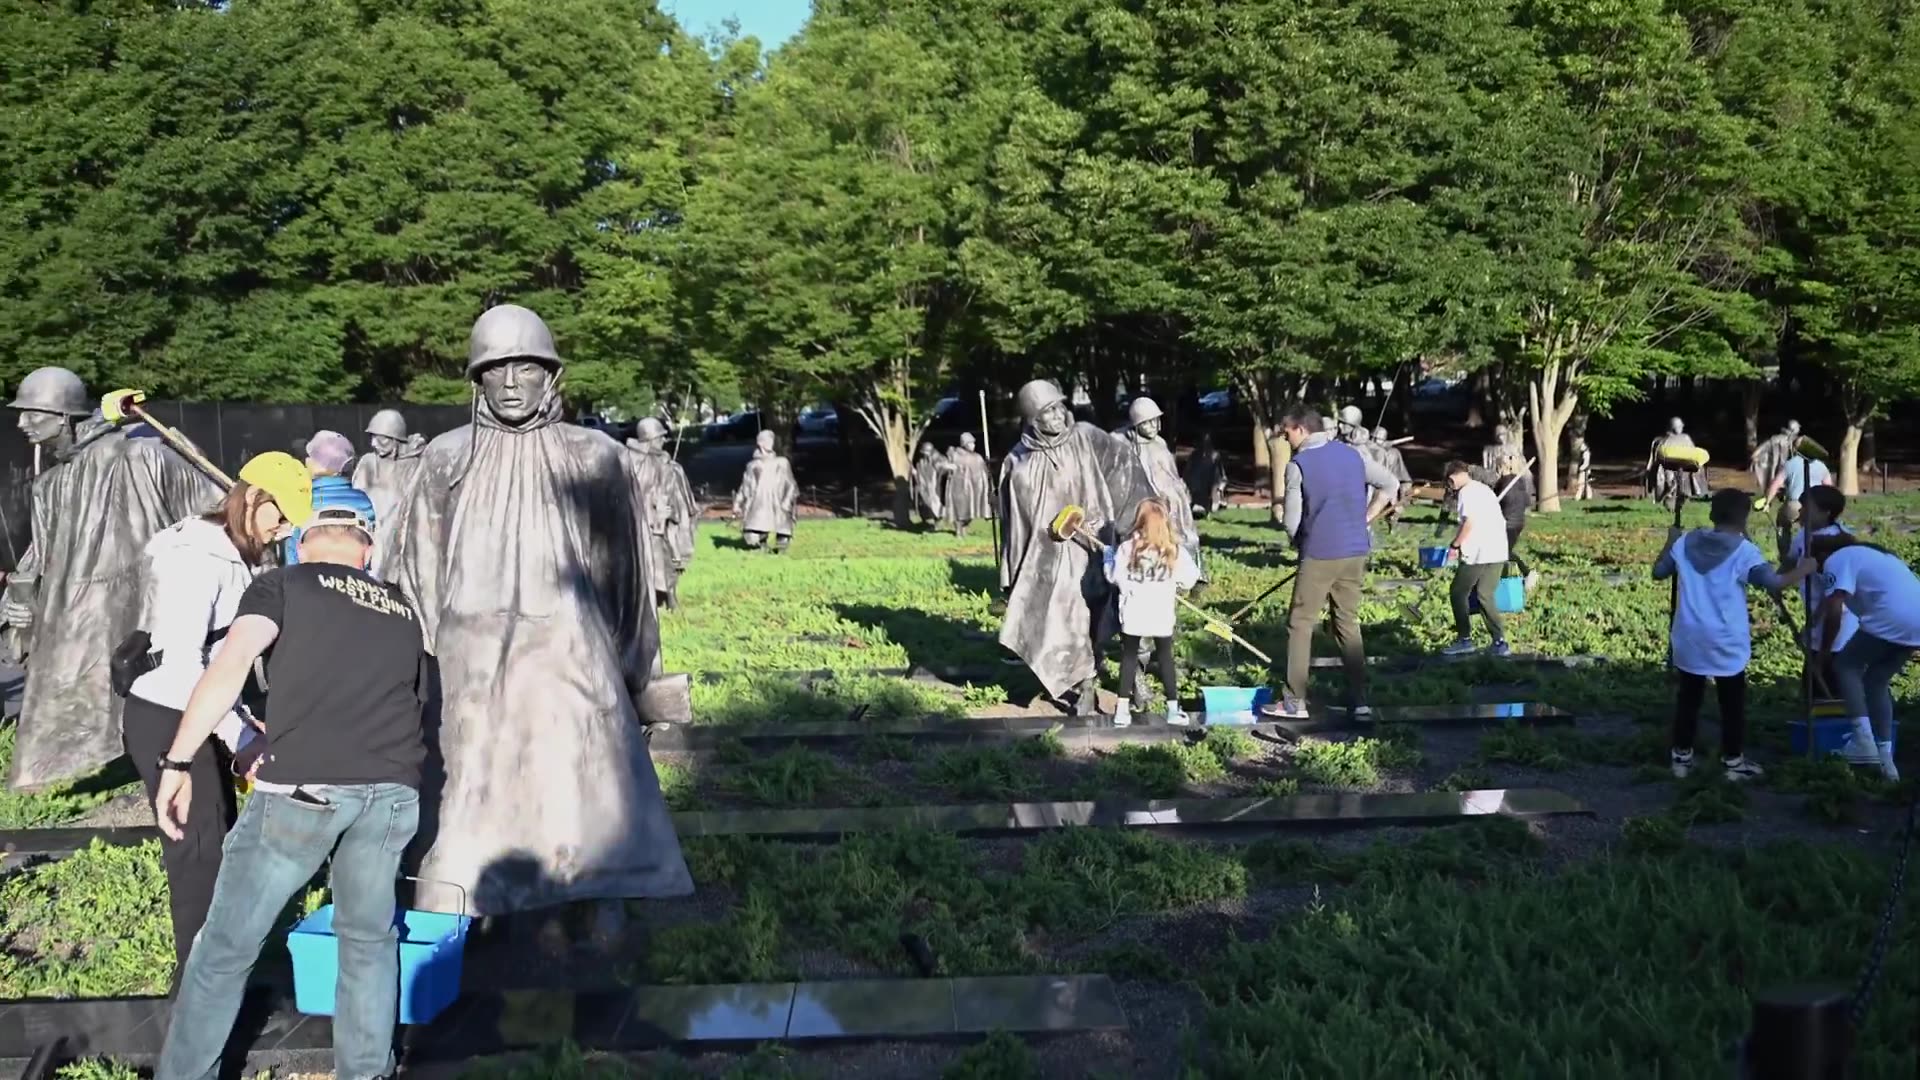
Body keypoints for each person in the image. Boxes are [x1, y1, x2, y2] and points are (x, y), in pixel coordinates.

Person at [386, 304, 692, 923]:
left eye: (524, 367)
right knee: (469, 777)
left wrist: (635, 668)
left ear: (551, 373)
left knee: (579, 774)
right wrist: (419, 665)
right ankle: (463, 891)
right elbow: (419, 564)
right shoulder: (446, 458)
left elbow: (624, 570)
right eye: (493, 370)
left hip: (569, 646)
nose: (509, 384)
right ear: (476, 380)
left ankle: (594, 885)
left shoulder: (595, 456)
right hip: (469, 651)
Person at [151, 506, 427, 1080]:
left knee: (225, 948)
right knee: (368, 941)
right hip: (394, 794)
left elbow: (229, 665)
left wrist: (178, 759)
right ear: (366, 552)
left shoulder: (283, 582)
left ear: (303, 547)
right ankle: (367, 1071)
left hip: (305, 791)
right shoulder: (401, 607)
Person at [121, 453, 311, 985]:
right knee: (198, 855)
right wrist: (239, 736)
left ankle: (219, 971)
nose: (285, 529)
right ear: (252, 497)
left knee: (216, 842)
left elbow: (219, 660)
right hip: (167, 713)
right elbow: (184, 664)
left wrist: (244, 720)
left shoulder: (235, 553)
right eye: (279, 514)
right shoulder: (195, 558)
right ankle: (198, 992)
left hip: (200, 710)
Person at [3, 370, 220, 789]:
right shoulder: (49, 485)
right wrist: (17, 606)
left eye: (32, 413)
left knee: (141, 703)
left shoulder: (139, 455)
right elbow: (39, 560)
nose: (21, 423)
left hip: (141, 609)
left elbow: (215, 505)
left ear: (64, 416)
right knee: (69, 716)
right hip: (71, 624)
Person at [998, 378, 1151, 716]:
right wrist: (1015, 573)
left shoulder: (1086, 436)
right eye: (1046, 412)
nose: (1056, 416)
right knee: (1073, 621)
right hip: (1055, 560)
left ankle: (1137, 676)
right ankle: (1085, 685)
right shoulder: (1019, 462)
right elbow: (1015, 525)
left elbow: (1124, 471)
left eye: (1058, 408)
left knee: (1123, 608)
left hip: (1101, 544)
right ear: (1032, 420)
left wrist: (1139, 527)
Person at [1258, 406, 1397, 719]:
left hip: (1320, 552)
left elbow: (1292, 521)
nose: (1284, 436)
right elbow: (1390, 485)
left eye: (1287, 430)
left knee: (1300, 623)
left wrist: (1298, 543)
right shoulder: (1352, 455)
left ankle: (1294, 702)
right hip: (1356, 551)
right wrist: (1367, 519)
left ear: (1302, 430)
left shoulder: (1298, 464)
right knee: (1346, 622)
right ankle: (1360, 700)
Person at [1652, 490, 1786, 781]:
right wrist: (1805, 568)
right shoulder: (1744, 551)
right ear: (1744, 517)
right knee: (1732, 701)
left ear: (1712, 514)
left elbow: (1659, 572)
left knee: (1689, 698)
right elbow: (1772, 581)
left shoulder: (1685, 542)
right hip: (1726, 639)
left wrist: (1670, 541)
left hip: (1689, 636)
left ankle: (1681, 760)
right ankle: (1733, 763)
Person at [1803, 533, 1919, 780]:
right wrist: (1816, 618)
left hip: (1891, 617)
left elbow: (1836, 606)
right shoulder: (1871, 555)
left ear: (1821, 556)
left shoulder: (1836, 559)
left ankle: (1862, 740)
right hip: (1916, 621)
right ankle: (1886, 759)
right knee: (1876, 681)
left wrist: (1824, 653)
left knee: (1846, 665)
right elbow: (1830, 599)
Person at [1104, 498, 1201, 728]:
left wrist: (1108, 555)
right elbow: (1190, 578)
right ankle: (1173, 710)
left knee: (1128, 658)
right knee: (1166, 659)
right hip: (1161, 615)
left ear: (1140, 521)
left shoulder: (1128, 548)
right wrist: (1175, 583)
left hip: (1133, 614)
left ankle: (1122, 711)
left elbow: (1113, 577)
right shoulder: (1173, 551)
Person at [1781, 485, 1854, 695]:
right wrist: (1777, 580)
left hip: (1837, 629)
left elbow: (1834, 602)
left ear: (1826, 512)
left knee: (1831, 687)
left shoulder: (1837, 541)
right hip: (1815, 623)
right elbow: (1791, 560)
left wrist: (1815, 622)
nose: (1801, 512)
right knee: (1812, 686)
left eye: (1807, 507)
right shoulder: (1803, 534)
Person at [1116, 397, 1200, 575]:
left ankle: (1189, 571)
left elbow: (1171, 474)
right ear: (1136, 425)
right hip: (1145, 503)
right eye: (1146, 423)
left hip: (1171, 501)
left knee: (1184, 535)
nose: (1152, 426)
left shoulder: (1160, 444)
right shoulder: (1127, 445)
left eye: (1155, 421)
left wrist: (1179, 492)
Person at [1440, 461, 1513, 657]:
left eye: (1449, 483)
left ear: (1452, 477)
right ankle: (1500, 642)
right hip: (1498, 550)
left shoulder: (1467, 492)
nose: (1450, 487)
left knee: (1458, 592)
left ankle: (1464, 640)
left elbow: (1469, 522)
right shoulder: (1484, 489)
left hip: (1479, 552)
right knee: (1484, 594)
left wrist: (1455, 545)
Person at [627, 417, 699, 610]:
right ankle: (646, 600)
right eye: (659, 437)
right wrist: (653, 512)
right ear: (649, 439)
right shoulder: (632, 462)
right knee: (646, 561)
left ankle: (670, 595)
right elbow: (632, 493)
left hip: (664, 521)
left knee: (668, 558)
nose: (663, 441)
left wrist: (669, 511)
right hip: (645, 522)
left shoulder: (665, 462)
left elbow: (673, 492)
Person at [286, 431, 376, 566]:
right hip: (356, 580)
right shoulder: (366, 500)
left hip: (307, 579)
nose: (306, 460)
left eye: (310, 456)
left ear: (318, 464)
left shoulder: (302, 500)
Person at [350, 409, 425, 531]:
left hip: (402, 529)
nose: (373, 443)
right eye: (372, 437)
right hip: (371, 527)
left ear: (396, 439)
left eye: (381, 438)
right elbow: (358, 499)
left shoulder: (414, 463)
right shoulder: (369, 462)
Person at [1764, 444, 1832, 565]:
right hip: (1814, 506)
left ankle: (1786, 558)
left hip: (1794, 504)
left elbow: (1776, 484)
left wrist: (1767, 502)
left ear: (1796, 450)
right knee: (1813, 532)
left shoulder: (1790, 464)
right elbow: (1829, 488)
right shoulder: (1821, 466)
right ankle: (1815, 559)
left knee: (1783, 526)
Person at [734, 429, 797, 551]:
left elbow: (791, 484)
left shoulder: (782, 463)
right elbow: (745, 486)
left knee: (782, 531)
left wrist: (787, 501)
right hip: (759, 503)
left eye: (772, 440)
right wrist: (737, 503)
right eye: (767, 440)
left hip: (778, 503)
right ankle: (760, 542)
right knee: (752, 537)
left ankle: (782, 542)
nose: (771, 442)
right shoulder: (753, 465)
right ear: (760, 443)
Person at [1495, 453, 1537, 590]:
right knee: (1502, 553)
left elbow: (1494, 504)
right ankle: (1500, 578)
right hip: (1518, 522)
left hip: (1507, 523)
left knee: (1502, 552)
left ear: (1500, 467)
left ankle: (1528, 573)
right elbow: (1526, 502)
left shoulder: (1502, 483)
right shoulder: (1520, 481)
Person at [1646, 417, 1708, 508]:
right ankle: (1670, 497)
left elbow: (1693, 453)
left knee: (1693, 470)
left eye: (1681, 426)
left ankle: (1680, 496)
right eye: (1679, 426)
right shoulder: (1660, 440)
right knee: (1667, 473)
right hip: (1667, 468)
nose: (1681, 427)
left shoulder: (1685, 438)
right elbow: (1653, 458)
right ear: (1673, 427)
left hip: (1684, 467)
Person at [943, 433, 994, 537]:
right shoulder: (955, 455)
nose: (973, 445)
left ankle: (965, 529)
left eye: (973, 443)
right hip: (958, 486)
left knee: (971, 509)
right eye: (970, 443)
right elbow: (943, 464)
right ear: (964, 444)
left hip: (973, 488)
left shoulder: (977, 457)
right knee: (959, 510)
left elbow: (984, 471)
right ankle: (958, 530)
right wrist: (948, 466)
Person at [1371, 426, 1413, 531]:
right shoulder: (1364, 451)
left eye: (1379, 439)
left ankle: (1392, 523)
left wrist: (1402, 499)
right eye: (1373, 438)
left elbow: (1405, 480)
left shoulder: (1393, 454)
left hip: (1386, 491)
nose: (1375, 441)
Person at [1184, 432, 1226, 517]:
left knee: (1209, 485)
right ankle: (1193, 508)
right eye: (1203, 442)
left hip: (1210, 481)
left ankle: (1208, 510)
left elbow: (1219, 472)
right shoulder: (1195, 455)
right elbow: (1188, 468)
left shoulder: (1215, 455)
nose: (1204, 445)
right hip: (1197, 481)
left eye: (1207, 442)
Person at [1750, 420, 1800, 490]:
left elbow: (1765, 445)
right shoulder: (1778, 438)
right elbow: (1766, 445)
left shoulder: (1795, 440)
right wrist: (1756, 453)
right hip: (1780, 465)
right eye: (1798, 427)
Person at [912, 441, 946, 526]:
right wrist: (916, 473)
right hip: (925, 485)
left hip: (935, 485)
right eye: (923, 453)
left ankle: (938, 520)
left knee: (935, 503)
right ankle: (927, 519)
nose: (925, 455)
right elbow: (921, 469)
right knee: (924, 503)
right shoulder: (922, 461)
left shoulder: (938, 458)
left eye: (926, 453)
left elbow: (943, 469)